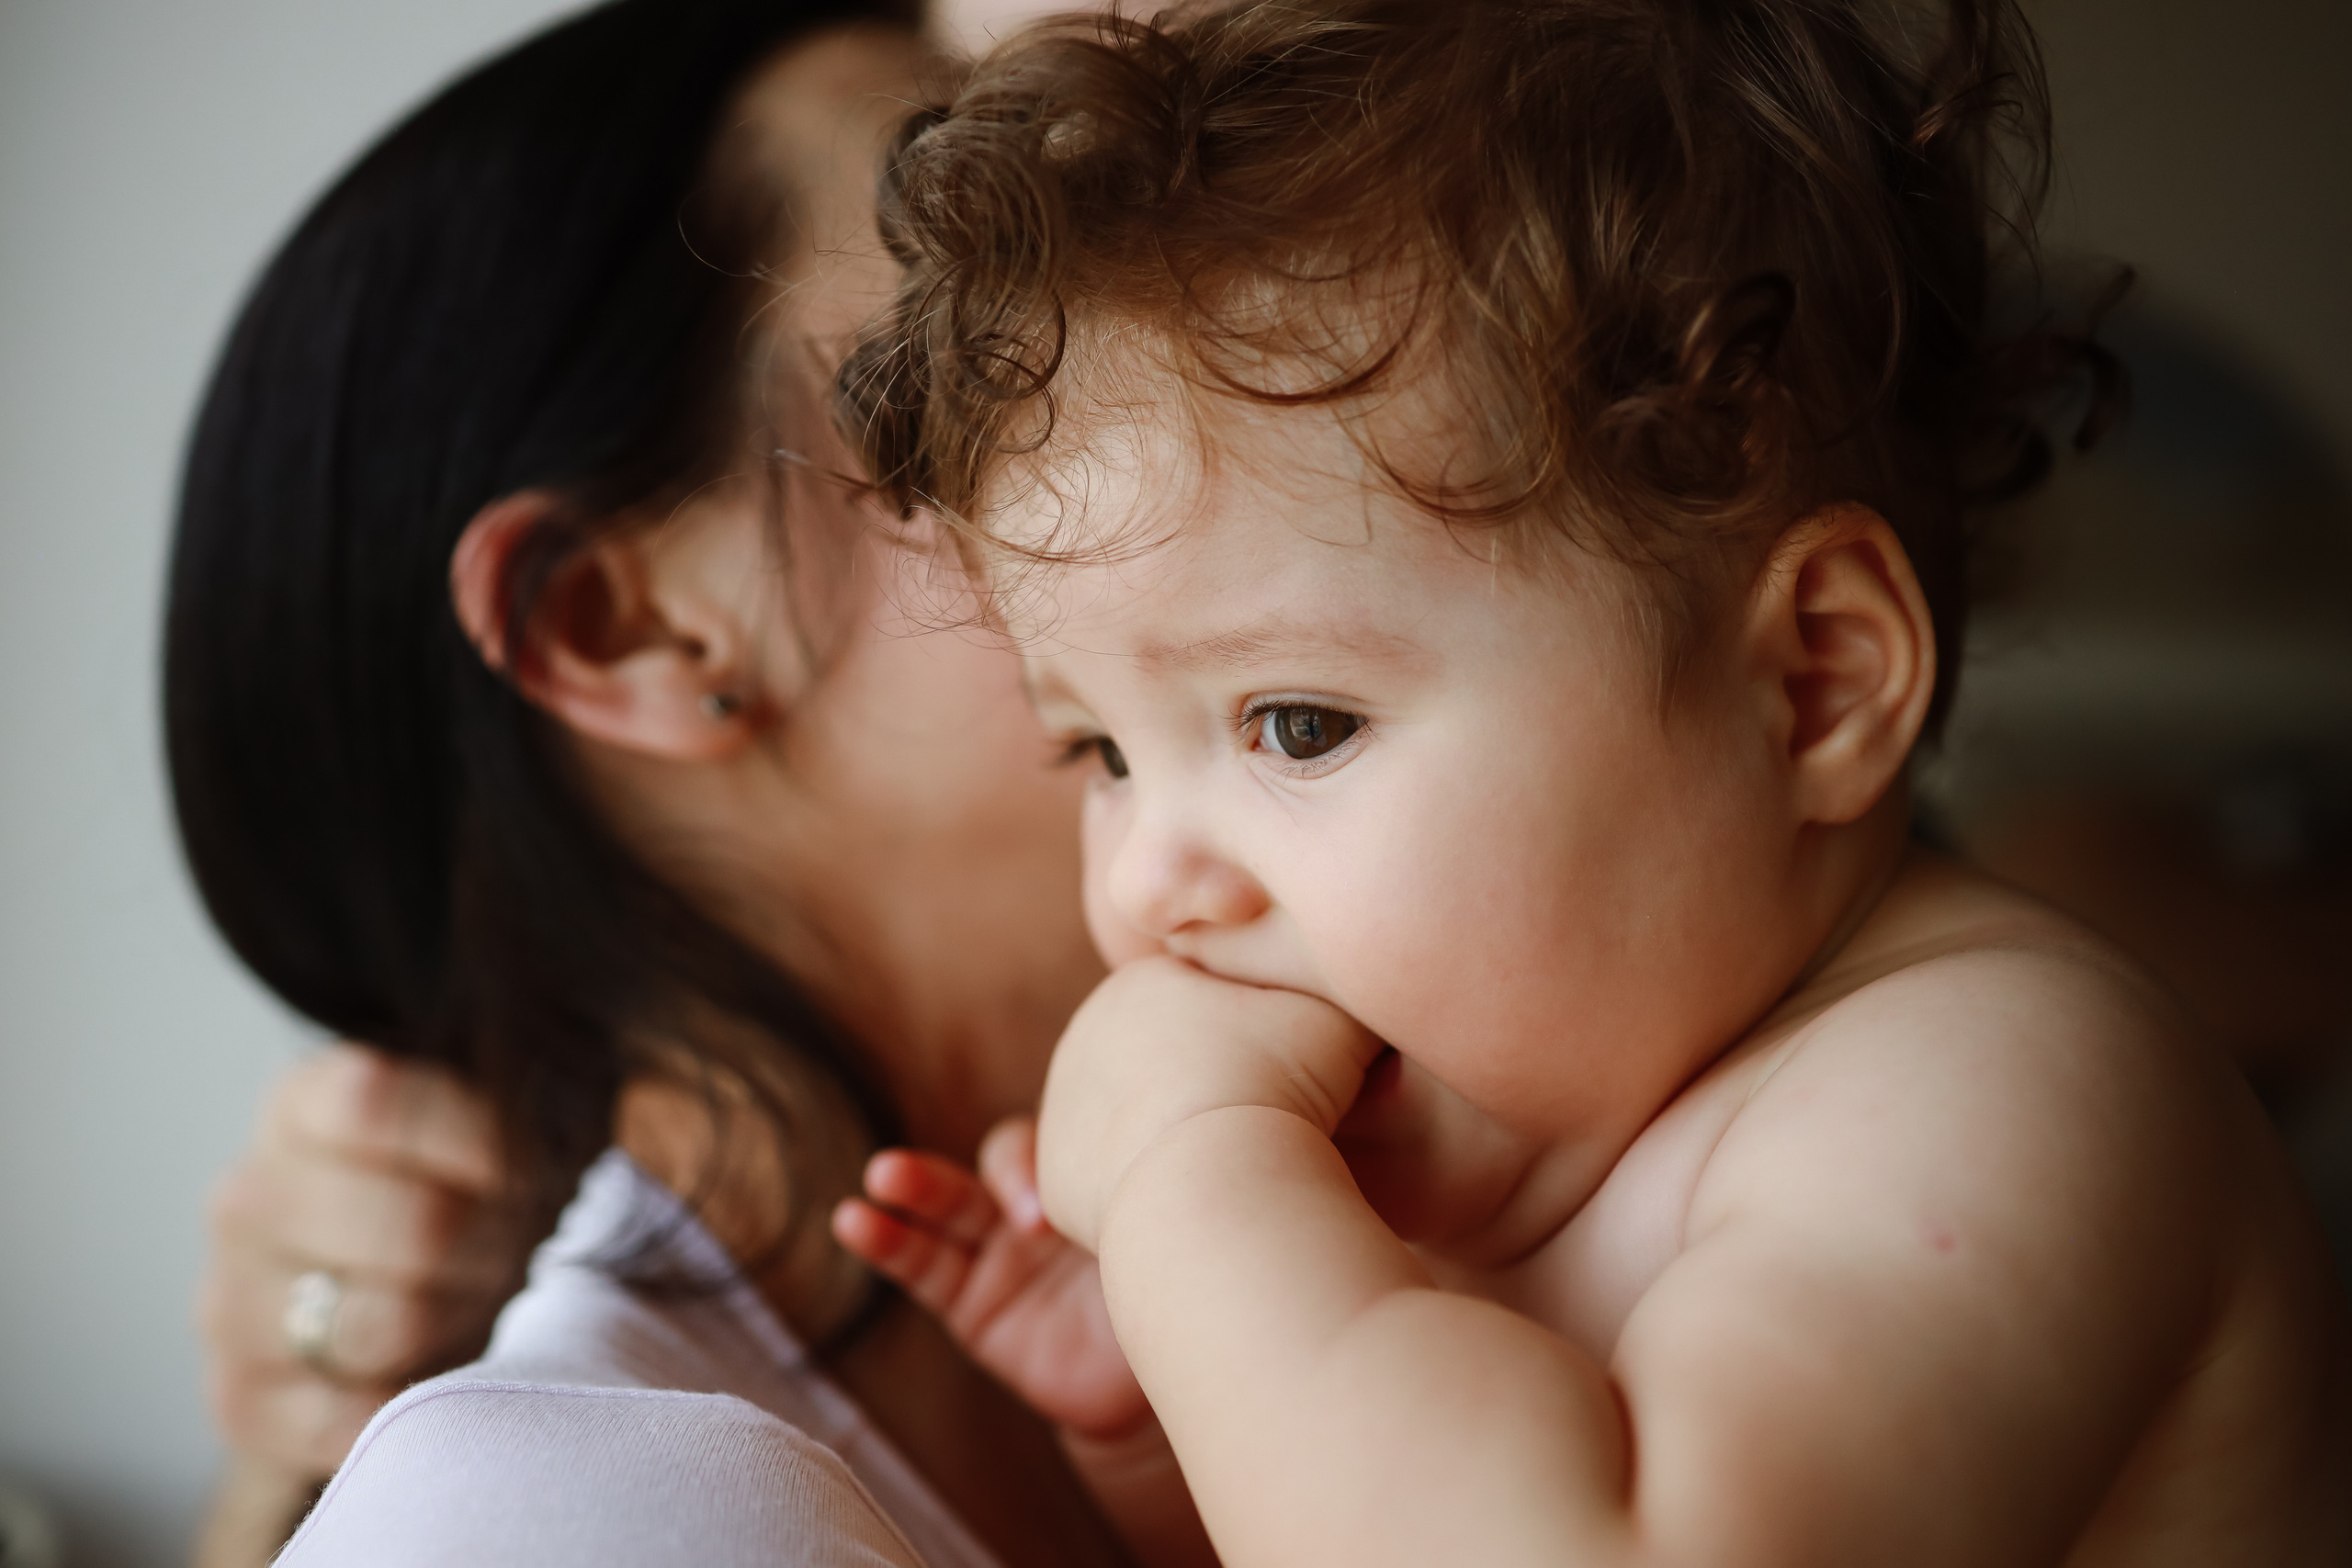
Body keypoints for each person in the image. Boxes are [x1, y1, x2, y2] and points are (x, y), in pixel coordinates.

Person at [834, 0, 2352, 1561]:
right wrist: (1174, 1406)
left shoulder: (1999, 1085)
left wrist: (1191, 1196)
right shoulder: (1546, 1123)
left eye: (1297, 725)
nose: (1150, 889)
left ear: (1812, 683)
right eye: (1098, 750)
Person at [172, 0, 1205, 1563]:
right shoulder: (551, 1524)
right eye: (992, 331)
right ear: (631, 627)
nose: (1218, 384)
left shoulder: (1356, 1252)